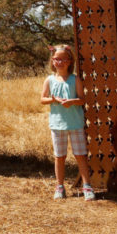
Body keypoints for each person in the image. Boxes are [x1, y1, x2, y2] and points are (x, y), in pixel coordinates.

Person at [40, 44, 95, 201]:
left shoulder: (75, 79)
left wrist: (72, 102)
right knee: (59, 156)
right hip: (57, 125)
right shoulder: (49, 80)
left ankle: (87, 186)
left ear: (70, 61)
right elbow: (42, 99)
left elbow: (82, 99)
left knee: (80, 155)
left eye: (64, 59)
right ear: (52, 60)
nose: (60, 62)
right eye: (57, 59)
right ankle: (59, 186)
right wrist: (53, 99)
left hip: (75, 124)